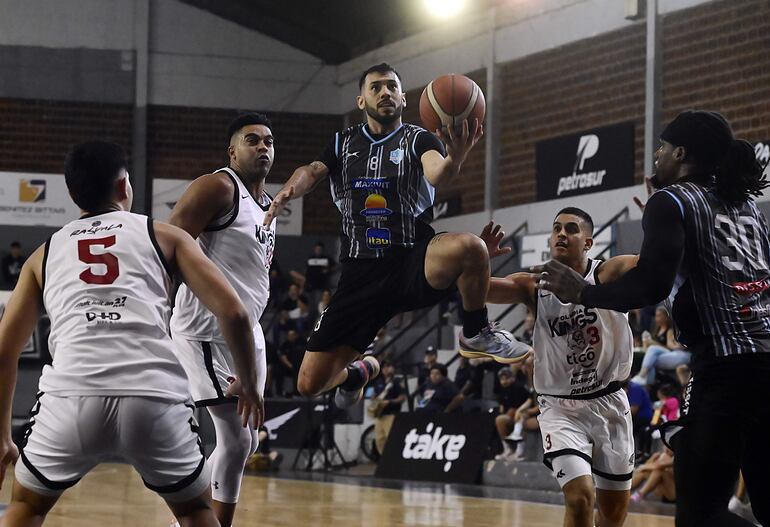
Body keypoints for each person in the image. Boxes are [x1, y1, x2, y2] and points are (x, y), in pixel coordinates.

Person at [0, 141, 264, 527]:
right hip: (153, 398)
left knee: (26, 505)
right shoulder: (165, 236)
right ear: (125, 186)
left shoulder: (44, 253)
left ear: (73, 194)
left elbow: (5, 349)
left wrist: (2, 435)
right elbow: (235, 314)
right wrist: (250, 382)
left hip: (72, 397)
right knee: (195, 511)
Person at [535, 110, 770, 527]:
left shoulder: (674, 199)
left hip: (728, 366)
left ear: (680, 153)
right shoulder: (747, 205)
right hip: (764, 355)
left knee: (701, 514)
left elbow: (651, 286)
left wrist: (581, 291)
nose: (656, 156)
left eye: (661, 148)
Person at [262, 62, 530, 409]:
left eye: (392, 86)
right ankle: (359, 373)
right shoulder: (343, 143)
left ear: (404, 98)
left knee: (471, 247)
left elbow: (437, 174)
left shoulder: (419, 138)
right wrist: (288, 191)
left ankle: (476, 331)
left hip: (412, 258)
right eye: (376, 87)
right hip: (360, 274)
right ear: (361, 100)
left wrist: (456, 158)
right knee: (309, 384)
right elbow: (311, 171)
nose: (385, 92)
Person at [486, 208, 640, 527]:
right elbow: (480, 289)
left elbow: (653, 265)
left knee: (613, 515)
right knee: (581, 496)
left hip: (610, 403)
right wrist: (476, 261)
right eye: (556, 228)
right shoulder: (534, 286)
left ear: (588, 243)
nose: (561, 234)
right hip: (560, 408)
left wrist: (658, 226)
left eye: (571, 229)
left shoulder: (606, 273)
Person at [167, 113, 276, 527]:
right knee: (237, 438)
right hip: (205, 330)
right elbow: (168, 243)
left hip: (247, 332)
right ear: (232, 151)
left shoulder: (269, 205)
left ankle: (188, 521)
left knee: (244, 444)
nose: (263, 146)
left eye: (269, 141)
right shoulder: (217, 186)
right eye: (253, 140)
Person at [632, 306, 691, 386]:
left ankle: (642, 376)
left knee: (652, 351)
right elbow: (647, 350)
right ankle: (646, 382)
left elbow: (670, 347)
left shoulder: (670, 330)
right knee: (651, 359)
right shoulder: (655, 331)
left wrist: (653, 343)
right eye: (656, 316)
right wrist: (646, 342)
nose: (657, 318)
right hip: (662, 355)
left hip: (672, 353)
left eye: (659, 315)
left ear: (665, 317)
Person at [368, 360, 405, 455]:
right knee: (380, 440)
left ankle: (393, 458)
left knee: (392, 439)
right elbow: (374, 395)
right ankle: (384, 459)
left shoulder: (396, 382)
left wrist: (390, 402)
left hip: (391, 414)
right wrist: (374, 399)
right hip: (380, 414)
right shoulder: (379, 381)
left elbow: (402, 397)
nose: (386, 369)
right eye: (384, 367)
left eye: (388, 367)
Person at [494, 367, 530, 461]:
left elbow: (523, 405)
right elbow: (503, 408)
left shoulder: (518, 387)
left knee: (520, 417)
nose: (504, 381)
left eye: (506, 378)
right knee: (499, 420)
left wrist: (513, 412)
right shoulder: (502, 391)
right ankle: (507, 449)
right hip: (511, 416)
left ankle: (519, 452)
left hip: (525, 414)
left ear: (512, 378)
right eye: (502, 379)